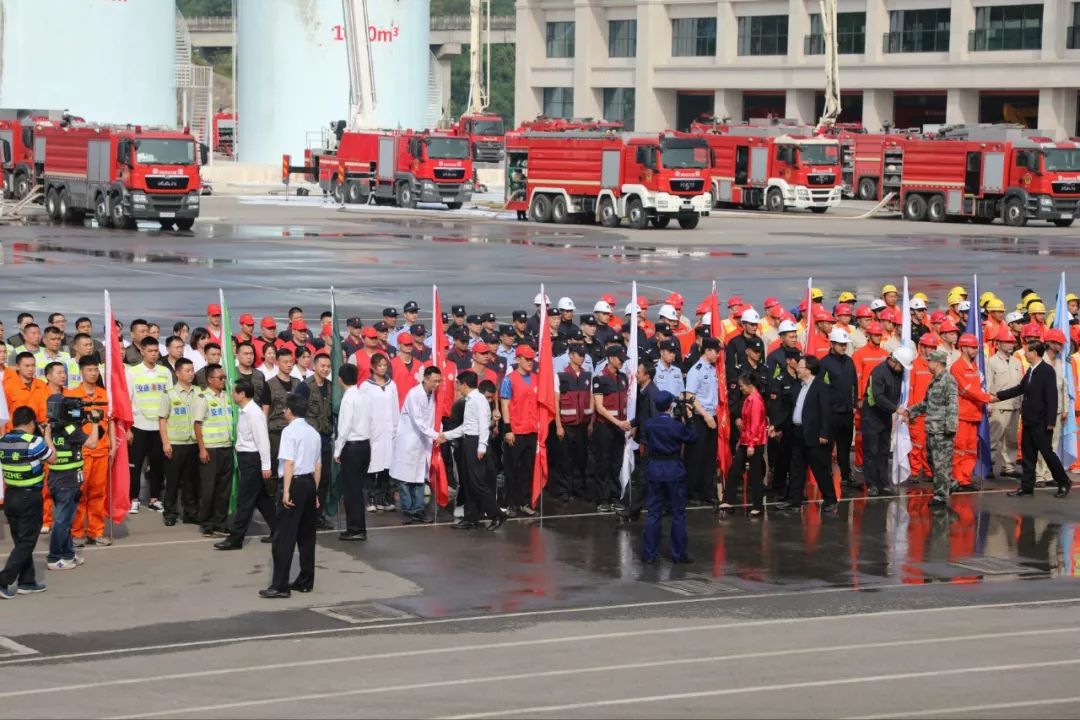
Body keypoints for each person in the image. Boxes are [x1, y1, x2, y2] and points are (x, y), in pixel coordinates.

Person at [261, 394, 322, 599]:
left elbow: (289, 463)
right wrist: (315, 491)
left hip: (294, 483)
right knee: (307, 536)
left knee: (284, 537)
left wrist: (286, 491)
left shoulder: (289, 432)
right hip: (309, 483)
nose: (283, 411)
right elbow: (318, 465)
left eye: (285, 408)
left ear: (290, 411)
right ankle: (306, 580)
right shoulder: (313, 433)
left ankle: (280, 585)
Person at [997, 341, 1072, 498]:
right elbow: (1020, 388)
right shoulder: (1031, 370)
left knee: (1047, 454)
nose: (1024, 354)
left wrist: (1050, 422)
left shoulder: (1046, 371)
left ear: (1035, 353)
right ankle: (1026, 487)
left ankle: (1064, 482)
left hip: (1042, 422)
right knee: (1028, 455)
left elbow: (1052, 398)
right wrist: (997, 396)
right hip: (1029, 420)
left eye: (1027, 351)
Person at [440, 370, 507, 530]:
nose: (457, 386)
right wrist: (446, 435)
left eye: (458, 383)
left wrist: (481, 446)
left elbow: (483, 424)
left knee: (477, 483)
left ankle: (496, 514)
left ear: (464, 384)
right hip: (469, 440)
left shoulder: (479, 400)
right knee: (469, 482)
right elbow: (466, 426)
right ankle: (471, 517)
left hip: (476, 442)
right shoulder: (470, 400)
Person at [0, 406, 55, 598]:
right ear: (32, 423)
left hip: (10, 495)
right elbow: (53, 458)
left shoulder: (2, 440)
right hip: (29, 496)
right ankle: (3, 580)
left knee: (20, 541)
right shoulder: (34, 442)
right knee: (27, 541)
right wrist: (47, 434)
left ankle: (27, 581)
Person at [215, 378, 277, 550]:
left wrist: (266, 466)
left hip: (252, 459)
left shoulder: (254, 413)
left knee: (245, 500)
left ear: (242, 394)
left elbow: (262, 440)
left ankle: (235, 538)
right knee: (262, 498)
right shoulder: (244, 411)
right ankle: (279, 529)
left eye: (234, 391)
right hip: (245, 458)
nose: (232, 394)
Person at [44, 389, 100, 570]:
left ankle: (68, 554)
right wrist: (95, 423)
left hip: (56, 478)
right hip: (67, 480)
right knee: (62, 521)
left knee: (65, 519)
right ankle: (54, 558)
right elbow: (92, 443)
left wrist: (83, 420)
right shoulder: (70, 429)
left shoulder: (50, 427)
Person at [641, 391, 697, 564]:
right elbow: (692, 438)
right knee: (678, 514)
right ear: (669, 406)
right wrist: (690, 419)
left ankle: (649, 554)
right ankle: (678, 553)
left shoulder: (649, 424)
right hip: (673, 470)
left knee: (653, 513)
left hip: (655, 469)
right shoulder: (676, 426)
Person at [66, 355, 114, 547]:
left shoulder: (105, 394)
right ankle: (77, 532)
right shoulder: (72, 395)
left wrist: (113, 445)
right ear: (81, 372)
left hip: (102, 451)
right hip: (81, 452)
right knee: (79, 493)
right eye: (89, 370)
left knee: (98, 493)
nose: (93, 373)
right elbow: (68, 426)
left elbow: (110, 421)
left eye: (96, 370)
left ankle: (96, 531)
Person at [779, 356, 836, 512]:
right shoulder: (798, 386)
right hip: (798, 432)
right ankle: (794, 501)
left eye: (800, 367)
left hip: (814, 434)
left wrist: (824, 433)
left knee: (820, 469)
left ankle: (830, 500)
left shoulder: (821, 387)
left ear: (809, 370)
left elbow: (826, 412)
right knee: (796, 469)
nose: (797, 369)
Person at [903, 350, 959, 507]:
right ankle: (949, 484)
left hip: (943, 430)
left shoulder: (948, 380)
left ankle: (940, 496)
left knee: (941, 463)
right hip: (932, 428)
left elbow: (953, 404)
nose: (927, 364)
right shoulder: (933, 381)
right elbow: (926, 403)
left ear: (937, 363)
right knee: (932, 460)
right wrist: (910, 411)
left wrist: (951, 427)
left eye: (929, 361)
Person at [390, 366, 443, 524]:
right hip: (409, 439)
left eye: (439, 381)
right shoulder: (414, 394)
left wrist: (439, 431)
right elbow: (418, 421)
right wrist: (436, 435)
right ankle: (408, 510)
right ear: (425, 379)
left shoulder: (433, 394)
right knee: (405, 478)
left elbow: (434, 417)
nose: (437, 384)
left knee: (419, 477)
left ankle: (418, 509)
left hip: (423, 441)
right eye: (434, 381)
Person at [126, 336, 173, 514]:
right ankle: (134, 499)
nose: (154, 354)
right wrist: (128, 428)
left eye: (156, 351)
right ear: (142, 351)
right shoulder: (133, 372)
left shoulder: (165, 372)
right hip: (139, 425)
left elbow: (170, 399)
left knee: (157, 465)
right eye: (150, 351)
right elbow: (127, 400)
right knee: (135, 465)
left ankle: (154, 499)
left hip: (159, 427)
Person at [862, 347, 910, 497]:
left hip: (885, 416)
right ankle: (871, 484)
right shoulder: (878, 372)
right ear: (894, 361)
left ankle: (883, 483)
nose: (903, 369)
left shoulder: (898, 372)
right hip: (872, 415)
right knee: (871, 451)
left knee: (883, 451)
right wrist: (896, 409)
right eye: (902, 366)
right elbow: (878, 397)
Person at [157, 357, 200, 527]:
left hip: (193, 443)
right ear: (178, 373)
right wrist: (165, 443)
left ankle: (190, 513)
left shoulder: (199, 392)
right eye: (187, 371)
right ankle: (170, 513)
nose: (191, 374)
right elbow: (162, 419)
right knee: (173, 481)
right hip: (175, 443)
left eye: (192, 370)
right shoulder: (169, 394)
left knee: (191, 481)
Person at [293, 352, 334, 528]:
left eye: (328, 366)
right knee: (307, 478)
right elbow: (297, 411)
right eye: (322, 366)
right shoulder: (305, 387)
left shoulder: (331, 387)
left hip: (325, 439)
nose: (325, 369)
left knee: (324, 478)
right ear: (314, 366)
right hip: (309, 439)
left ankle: (318, 515)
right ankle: (305, 514)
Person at [192, 364, 234, 537]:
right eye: (220, 378)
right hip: (211, 449)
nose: (223, 381)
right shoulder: (203, 398)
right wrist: (202, 449)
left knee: (224, 489)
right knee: (209, 489)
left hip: (227, 447)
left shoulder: (228, 396)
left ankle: (220, 523)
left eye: (224, 378)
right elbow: (197, 424)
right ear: (210, 379)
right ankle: (207, 523)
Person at [950, 333, 993, 491]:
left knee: (970, 449)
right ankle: (957, 479)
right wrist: (988, 398)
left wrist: (985, 400)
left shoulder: (974, 365)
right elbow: (967, 391)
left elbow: (977, 387)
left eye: (976, 347)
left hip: (974, 413)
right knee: (959, 449)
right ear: (963, 348)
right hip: (962, 414)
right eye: (973, 347)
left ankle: (965, 478)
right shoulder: (957, 367)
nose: (976, 350)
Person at [500, 344, 539, 517]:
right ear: (518, 359)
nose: (530, 362)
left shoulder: (536, 378)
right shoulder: (509, 380)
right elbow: (505, 404)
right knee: (511, 469)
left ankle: (524, 502)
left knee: (527, 469)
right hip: (516, 430)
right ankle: (510, 503)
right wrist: (508, 429)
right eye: (527, 359)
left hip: (531, 430)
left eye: (532, 359)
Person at [358, 354, 400, 512]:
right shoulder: (366, 386)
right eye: (380, 365)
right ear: (373, 367)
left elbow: (395, 408)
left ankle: (383, 497)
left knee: (386, 466)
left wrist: (396, 428)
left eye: (384, 365)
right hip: (372, 431)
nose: (383, 368)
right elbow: (362, 410)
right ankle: (370, 498)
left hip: (389, 431)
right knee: (371, 465)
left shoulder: (391, 385)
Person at [591, 345, 631, 513]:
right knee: (603, 462)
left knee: (616, 462)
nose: (622, 362)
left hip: (619, 428)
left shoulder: (623, 378)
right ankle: (603, 499)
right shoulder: (599, 378)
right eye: (620, 359)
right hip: (604, 427)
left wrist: (625, 423)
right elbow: (599, 407)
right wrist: (617, 422)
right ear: (611, 358)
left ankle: (614, 496)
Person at [722, 372, 767, 514]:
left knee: (755, 474)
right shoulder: (748, 399)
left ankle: (757, 506)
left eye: (742, 386)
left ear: (750, 385)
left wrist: (752, 445)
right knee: (735, 470)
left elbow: (755, 425)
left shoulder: (756, 401)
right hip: (745, 441)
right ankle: (728, 501)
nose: (740, 389)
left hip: (754, 443)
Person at [334, 363, 370, 540]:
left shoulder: (348, 398)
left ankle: (355, 529)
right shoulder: (362, 395)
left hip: (352, 447)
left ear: (340, 379)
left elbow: (344, 426)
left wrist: (337, 450)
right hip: (365, 446)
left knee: (351, 490)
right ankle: (359, 527)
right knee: (358, 489)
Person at [683, 336, 721, 507]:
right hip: (700, 417)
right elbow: (690, 396)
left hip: (713, 416)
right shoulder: (696, 370)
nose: (718, 355)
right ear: (707, 351)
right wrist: (705, 415)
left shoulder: (713, 369)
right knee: (696, 456)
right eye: (716, 351)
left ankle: (707, 491)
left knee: (710, 456)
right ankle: (693, 491)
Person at [553, 343, 592, 502]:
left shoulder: (587, 376)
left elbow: (591, 400)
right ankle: (564, 490)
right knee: (564, 459)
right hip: (566, 425)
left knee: (581, 458)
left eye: (583, 355)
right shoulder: (561, 376)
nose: (581, 357)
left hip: (582, 425)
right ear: (570, 356)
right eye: (578, 354)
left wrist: (591, 423)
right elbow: (556, 402)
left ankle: (579, 488)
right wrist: (558, 425)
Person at [820, 327, 857, 490]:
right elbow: (821, 388)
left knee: (845, 447)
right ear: (832, 344)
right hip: (831, 413)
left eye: (845, 344)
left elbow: (854, 384)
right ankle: (826, 475)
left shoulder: (849, 361)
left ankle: (846, 475)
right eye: (841, 344)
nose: (843, 347)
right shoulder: (824, 363)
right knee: (827, 448)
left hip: (847, 413)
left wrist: (854, 405)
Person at [986, 325, 1023, 479]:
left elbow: (1021, 385)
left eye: (1012, 342)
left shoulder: (1016, 362)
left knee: (1011, 440)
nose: (1010, 344)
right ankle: (988, 465)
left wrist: (1021, 404)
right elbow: (988, 384)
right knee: (994, 438)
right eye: (1007, 342)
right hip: (998, 405)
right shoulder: (991, 362)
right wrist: (988, 404)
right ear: (998, 344)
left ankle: (1009, 467)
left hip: (1014, 405)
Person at [260, 347, 299, 487]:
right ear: (277, 362)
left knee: (295, 466)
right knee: (277, 467)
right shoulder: (269, 384)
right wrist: (264, 434)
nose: (289, 365)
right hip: (276, 433)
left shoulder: (298, 383)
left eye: (291, 362)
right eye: (285, 362)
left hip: (295, 431)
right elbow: (265, 411)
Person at [767, 347, 802, 500]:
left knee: (796, 460)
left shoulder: (801, 379)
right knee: (782, 458)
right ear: (788, 361)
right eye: (796, 360)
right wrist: (777, 426)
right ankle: (779, 487)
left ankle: (795, 490)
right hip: (784, 425)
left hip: (797, 425)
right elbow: (775, 406)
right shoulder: (779, 380)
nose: (799, 363)